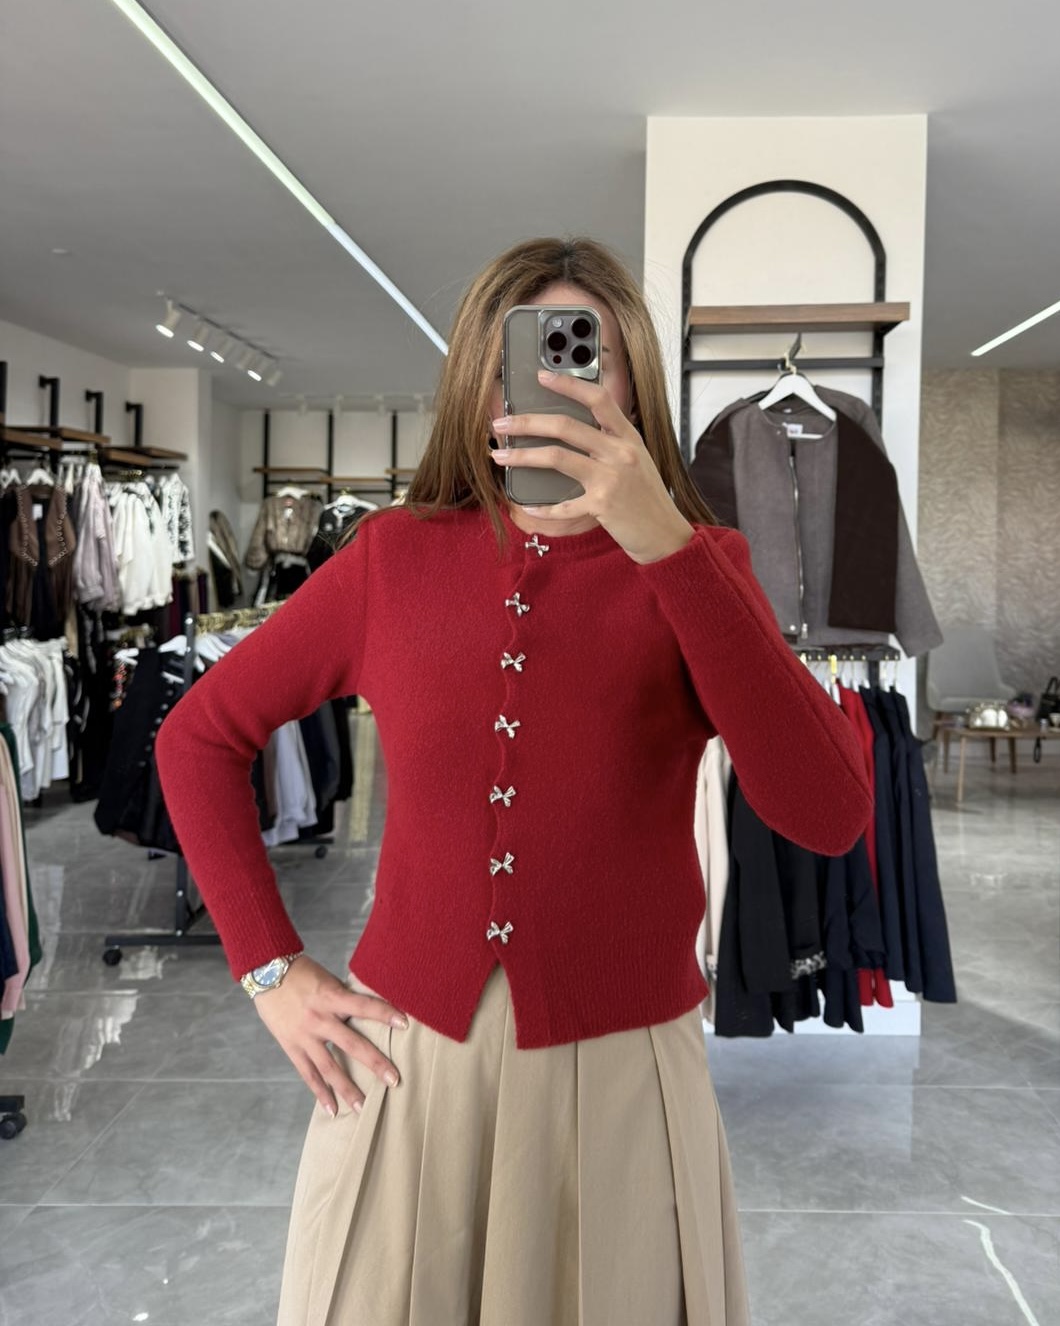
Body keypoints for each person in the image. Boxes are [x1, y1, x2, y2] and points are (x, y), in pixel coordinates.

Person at [156, 236, 872, 1325]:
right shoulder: (393, 558)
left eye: (582, 355)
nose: (542, 386)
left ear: (631, 383)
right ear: (472, 385)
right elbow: (198, 736)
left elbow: (828, 812)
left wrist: (666, 546)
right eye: (512, 362)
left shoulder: (700, 568)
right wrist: (269, 968)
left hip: (626, 1074)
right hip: (407, 1069)